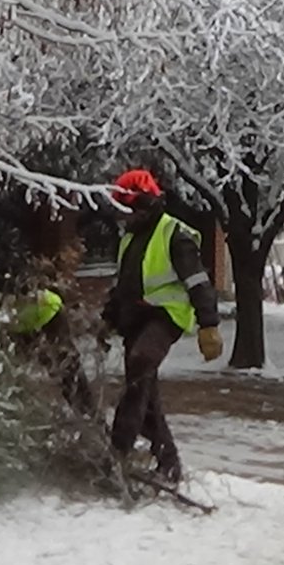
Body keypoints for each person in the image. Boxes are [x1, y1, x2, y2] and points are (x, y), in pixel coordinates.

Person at [101, 168, 221, 483]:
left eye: (129, 209)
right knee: (145, 391)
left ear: (144, 202)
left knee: (140, 366)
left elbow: (197, 281)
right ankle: (169, 462)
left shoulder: (173, 233)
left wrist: (208, 324)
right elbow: (124, 284)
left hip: (165, 317)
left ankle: (119, 448)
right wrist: (108, 319)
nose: (125, 217)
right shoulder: (131, 238)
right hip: (135, 320)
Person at [0, 250, 94, 415]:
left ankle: (89, 414)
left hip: (47, 314)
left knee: (67, 367)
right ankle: (71, 412)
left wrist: (17, 292)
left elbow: (18, 277)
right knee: (46, 372)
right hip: (24, 331)